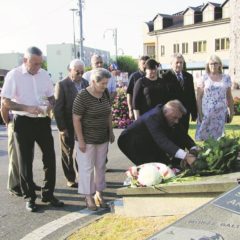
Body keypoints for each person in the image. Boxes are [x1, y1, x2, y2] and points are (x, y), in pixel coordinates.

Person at [1, 46, 64, 212]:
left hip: (42, 121)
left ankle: (48, 194)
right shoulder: (14, 75)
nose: (38, 67)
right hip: (23, 122)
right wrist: (27, 108)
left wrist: (50, 105)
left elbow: (51, 96)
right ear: (25, 60)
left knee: (50, 157)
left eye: (40, 63)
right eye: (34, 64)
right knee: (25, 161)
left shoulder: (44, 74)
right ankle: (29, 197)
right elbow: (6, 101)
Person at [73, 68, 115, 211]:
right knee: (86, 168)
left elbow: (108, 112)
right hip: (86, 139)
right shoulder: (82, 96)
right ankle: (88, 197)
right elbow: (76, 119)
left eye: (106, 83)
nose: (105, 86)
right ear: (93, 82)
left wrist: (111, 131)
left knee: (100, 167)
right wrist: (81, 140)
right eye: (102, 83)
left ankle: (99, 193)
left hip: (102, 137)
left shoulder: (105, 93)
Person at [118, 100, 197, 168]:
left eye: (178, 118)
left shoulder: (169, 113)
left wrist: (193, 148)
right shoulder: (153, 117)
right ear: (166, 112)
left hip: (147, 140)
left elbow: (182, 134)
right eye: (175, 118)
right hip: (130, 142)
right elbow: (163, 141)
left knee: (167, 165)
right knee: (154, 168)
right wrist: (186, 156)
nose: (176, 121)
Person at [54, 59, 89, 188]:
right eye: (77, 72)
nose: (80, 74)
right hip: (67, 124)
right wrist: (62, 128)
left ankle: (83, 175)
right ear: (70, 70)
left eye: (82, 72)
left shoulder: (86, 83)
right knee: (67, 152)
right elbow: (57, 108)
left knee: (82, 151)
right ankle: (70, 178)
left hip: (83, 124)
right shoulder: (62, 84)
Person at [0, 105, 41, 196]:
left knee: (28, 156)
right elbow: (4, 107)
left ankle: (27, 182)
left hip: (29, 122)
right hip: (15, 122)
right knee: (15, 157)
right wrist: (8, 123)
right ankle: (14, 185)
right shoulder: (10, 90)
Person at [195, 55, 234, 141]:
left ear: (220, 64)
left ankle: (216, 154)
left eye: (215, 63)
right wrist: (200, 114)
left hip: (220, 114)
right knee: (204, 139)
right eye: (211, 64)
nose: (213, 65)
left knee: (219, 140)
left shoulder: (226, 78)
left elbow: (229, 97)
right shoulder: (203, 78)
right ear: (208, 65)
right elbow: (199, 98)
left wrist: (231, 111)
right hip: (206, 114)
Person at [162, 53, 197, 133]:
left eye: (181, 62)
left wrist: (194, 112)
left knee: (184, 135)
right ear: (171, 64)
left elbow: (192, 95)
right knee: (173, 135)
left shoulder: (188, 76)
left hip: (185, 112)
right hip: (172, 113)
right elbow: (163, 96)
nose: (179, 64)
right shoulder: (165, 77)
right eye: (177, 62)